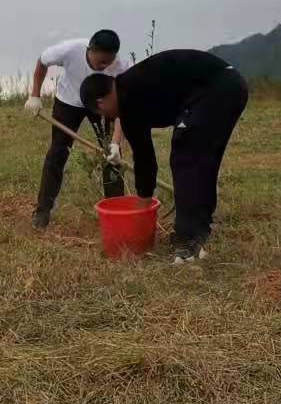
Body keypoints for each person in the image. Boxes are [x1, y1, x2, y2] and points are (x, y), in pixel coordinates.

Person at [79, 49, 248, 263]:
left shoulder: (131, 92)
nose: (109, 118)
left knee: (184, 156)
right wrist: (142, 210)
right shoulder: (127, 92)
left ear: (101, 103)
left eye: (103, 115)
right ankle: (200, 228)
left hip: (218, 88)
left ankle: (189, 242)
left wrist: (140, 215)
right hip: (229, 86)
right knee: (203, 159)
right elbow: (145, 160)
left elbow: (144, 160)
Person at [23, 29, 130, 229]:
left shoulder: (121, 67)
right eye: (101, 62)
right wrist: (35, 95)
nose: (105, 66)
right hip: (68, 102)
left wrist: (116, 142)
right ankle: (43, 211)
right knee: (57, 152)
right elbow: (42, 61)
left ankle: (116, 213)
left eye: (109, 61)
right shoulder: (70, 50)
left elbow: (122, 109)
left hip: (102, 106)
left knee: (110, 156)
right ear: (90, 50)